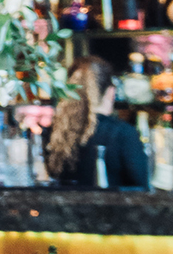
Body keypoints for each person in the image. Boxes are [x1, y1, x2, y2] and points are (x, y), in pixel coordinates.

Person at [45, 56, 149, 189]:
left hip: (64, 209)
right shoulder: (123, 133)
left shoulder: (57, 132)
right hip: (113, 209)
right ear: (111, 92)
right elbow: (142, 187)